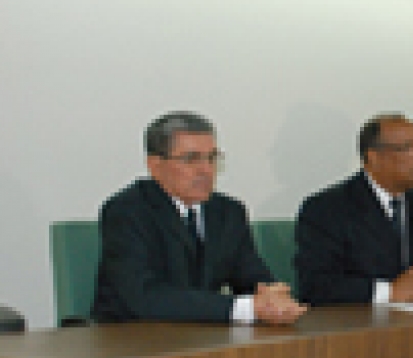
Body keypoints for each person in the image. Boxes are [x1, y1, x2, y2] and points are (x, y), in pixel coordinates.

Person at [93, 112, 306, 324]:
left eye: (212, 158)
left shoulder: (228, 212)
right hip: (130, 336)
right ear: (155, 166)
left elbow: (253, 277)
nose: (206, 170)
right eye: (191, 159)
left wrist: (274, 297)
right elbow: (145, 297)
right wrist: (243, 308)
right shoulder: (127, 211)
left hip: (201, 334)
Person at [294, 113, 413, 306]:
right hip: (354, 320)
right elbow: (315, 286)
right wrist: (389, 292)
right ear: (373, 157)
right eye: (407, 148)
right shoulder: (327, 208)